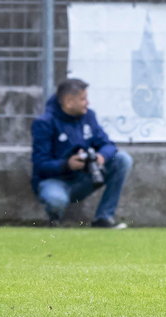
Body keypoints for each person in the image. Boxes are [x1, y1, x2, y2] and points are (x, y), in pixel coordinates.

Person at [30, 78, 132, 228]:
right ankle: (54, 220)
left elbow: (108, 145)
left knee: (122, 159)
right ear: (69, 101)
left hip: (84, 179)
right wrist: (67, 164)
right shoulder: (44, 123)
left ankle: (103, 218)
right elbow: (40, 164)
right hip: (55, 181)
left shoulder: (89, 117)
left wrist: (101, 157)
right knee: (56, 200)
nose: (87, 103)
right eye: (83, 99)